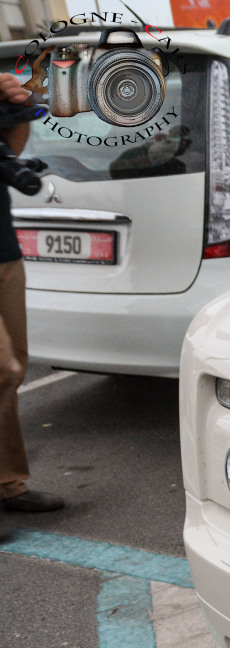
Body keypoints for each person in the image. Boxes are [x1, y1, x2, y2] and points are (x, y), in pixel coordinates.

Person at [0, 72, 64, 542]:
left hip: (3, 252)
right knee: (1, 368)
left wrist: (15, 104)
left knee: (14, 369)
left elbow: (14, 152)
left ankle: (7, 484)